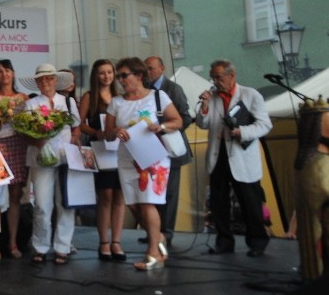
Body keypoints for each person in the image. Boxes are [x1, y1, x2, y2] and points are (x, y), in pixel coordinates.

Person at [105, 57, 182, 271]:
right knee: (133, 204)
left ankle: (154, 253)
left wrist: (161, 127)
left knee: (148, 202)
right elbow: (108, 133)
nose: (120, 80)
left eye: (123, 75)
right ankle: (158, 239)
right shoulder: (116, 102)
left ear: (138, 75)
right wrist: (115, 131)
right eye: (118, 76)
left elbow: (177, 121)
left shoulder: (158, 96)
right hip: (127, 157)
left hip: (153, 157)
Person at [196, 59, 273, 257]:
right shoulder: (212, 97)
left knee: (250, 201)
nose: (215, 81)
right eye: (212, 77)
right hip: (218, 153)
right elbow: (202, 124)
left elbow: (265, 125)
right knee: (218, 202)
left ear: (232, 76)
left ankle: (257, 241)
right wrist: (204, 106)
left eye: (219, 77)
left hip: (241, 153)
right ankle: (224, 241)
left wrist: (243, 131)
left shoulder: (250, 95)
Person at [25, 63, 80, 265]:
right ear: (37, 83)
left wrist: (75, 138)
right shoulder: (31, 104)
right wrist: (36, 140)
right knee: (41, 204)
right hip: (40, 159)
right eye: (41, 79)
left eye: (49, 78)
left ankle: (62, 247)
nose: (46, 82)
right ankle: (40, 246)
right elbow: (24, 133)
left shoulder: (68, 102)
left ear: (56, 81)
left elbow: (77, 128)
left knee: (65, 203)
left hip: (65, 159)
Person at [78, 59, 126, 261]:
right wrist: (96, 132)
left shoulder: (120, 97)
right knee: (105, 196)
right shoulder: (90, 96)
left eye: (109, 72)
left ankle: (116, 241)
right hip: (101, 150)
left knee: (120, 197)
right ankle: (104, 241)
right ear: (95, 76)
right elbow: (80, 124)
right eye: (101, 73)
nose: (106, 76)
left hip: (121, 151)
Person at [143, 56, 193, 248]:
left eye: (151, 68)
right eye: (145, 69)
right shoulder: (144, 91)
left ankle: (167, 233)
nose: (148, 72)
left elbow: (186, 118)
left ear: (162, 68)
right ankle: (154, 232)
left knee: (169, 194)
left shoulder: (173, 89)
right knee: (153, 193)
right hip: (151, 150)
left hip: (171, 150)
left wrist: (164, 128)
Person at [0, 59, 29, 259]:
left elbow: (27, 126)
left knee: (15, 196)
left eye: (7, 70)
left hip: (18, 146)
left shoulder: (23, 98)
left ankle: (13, 243)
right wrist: (0, 118)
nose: (4, 74)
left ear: (13, 74)